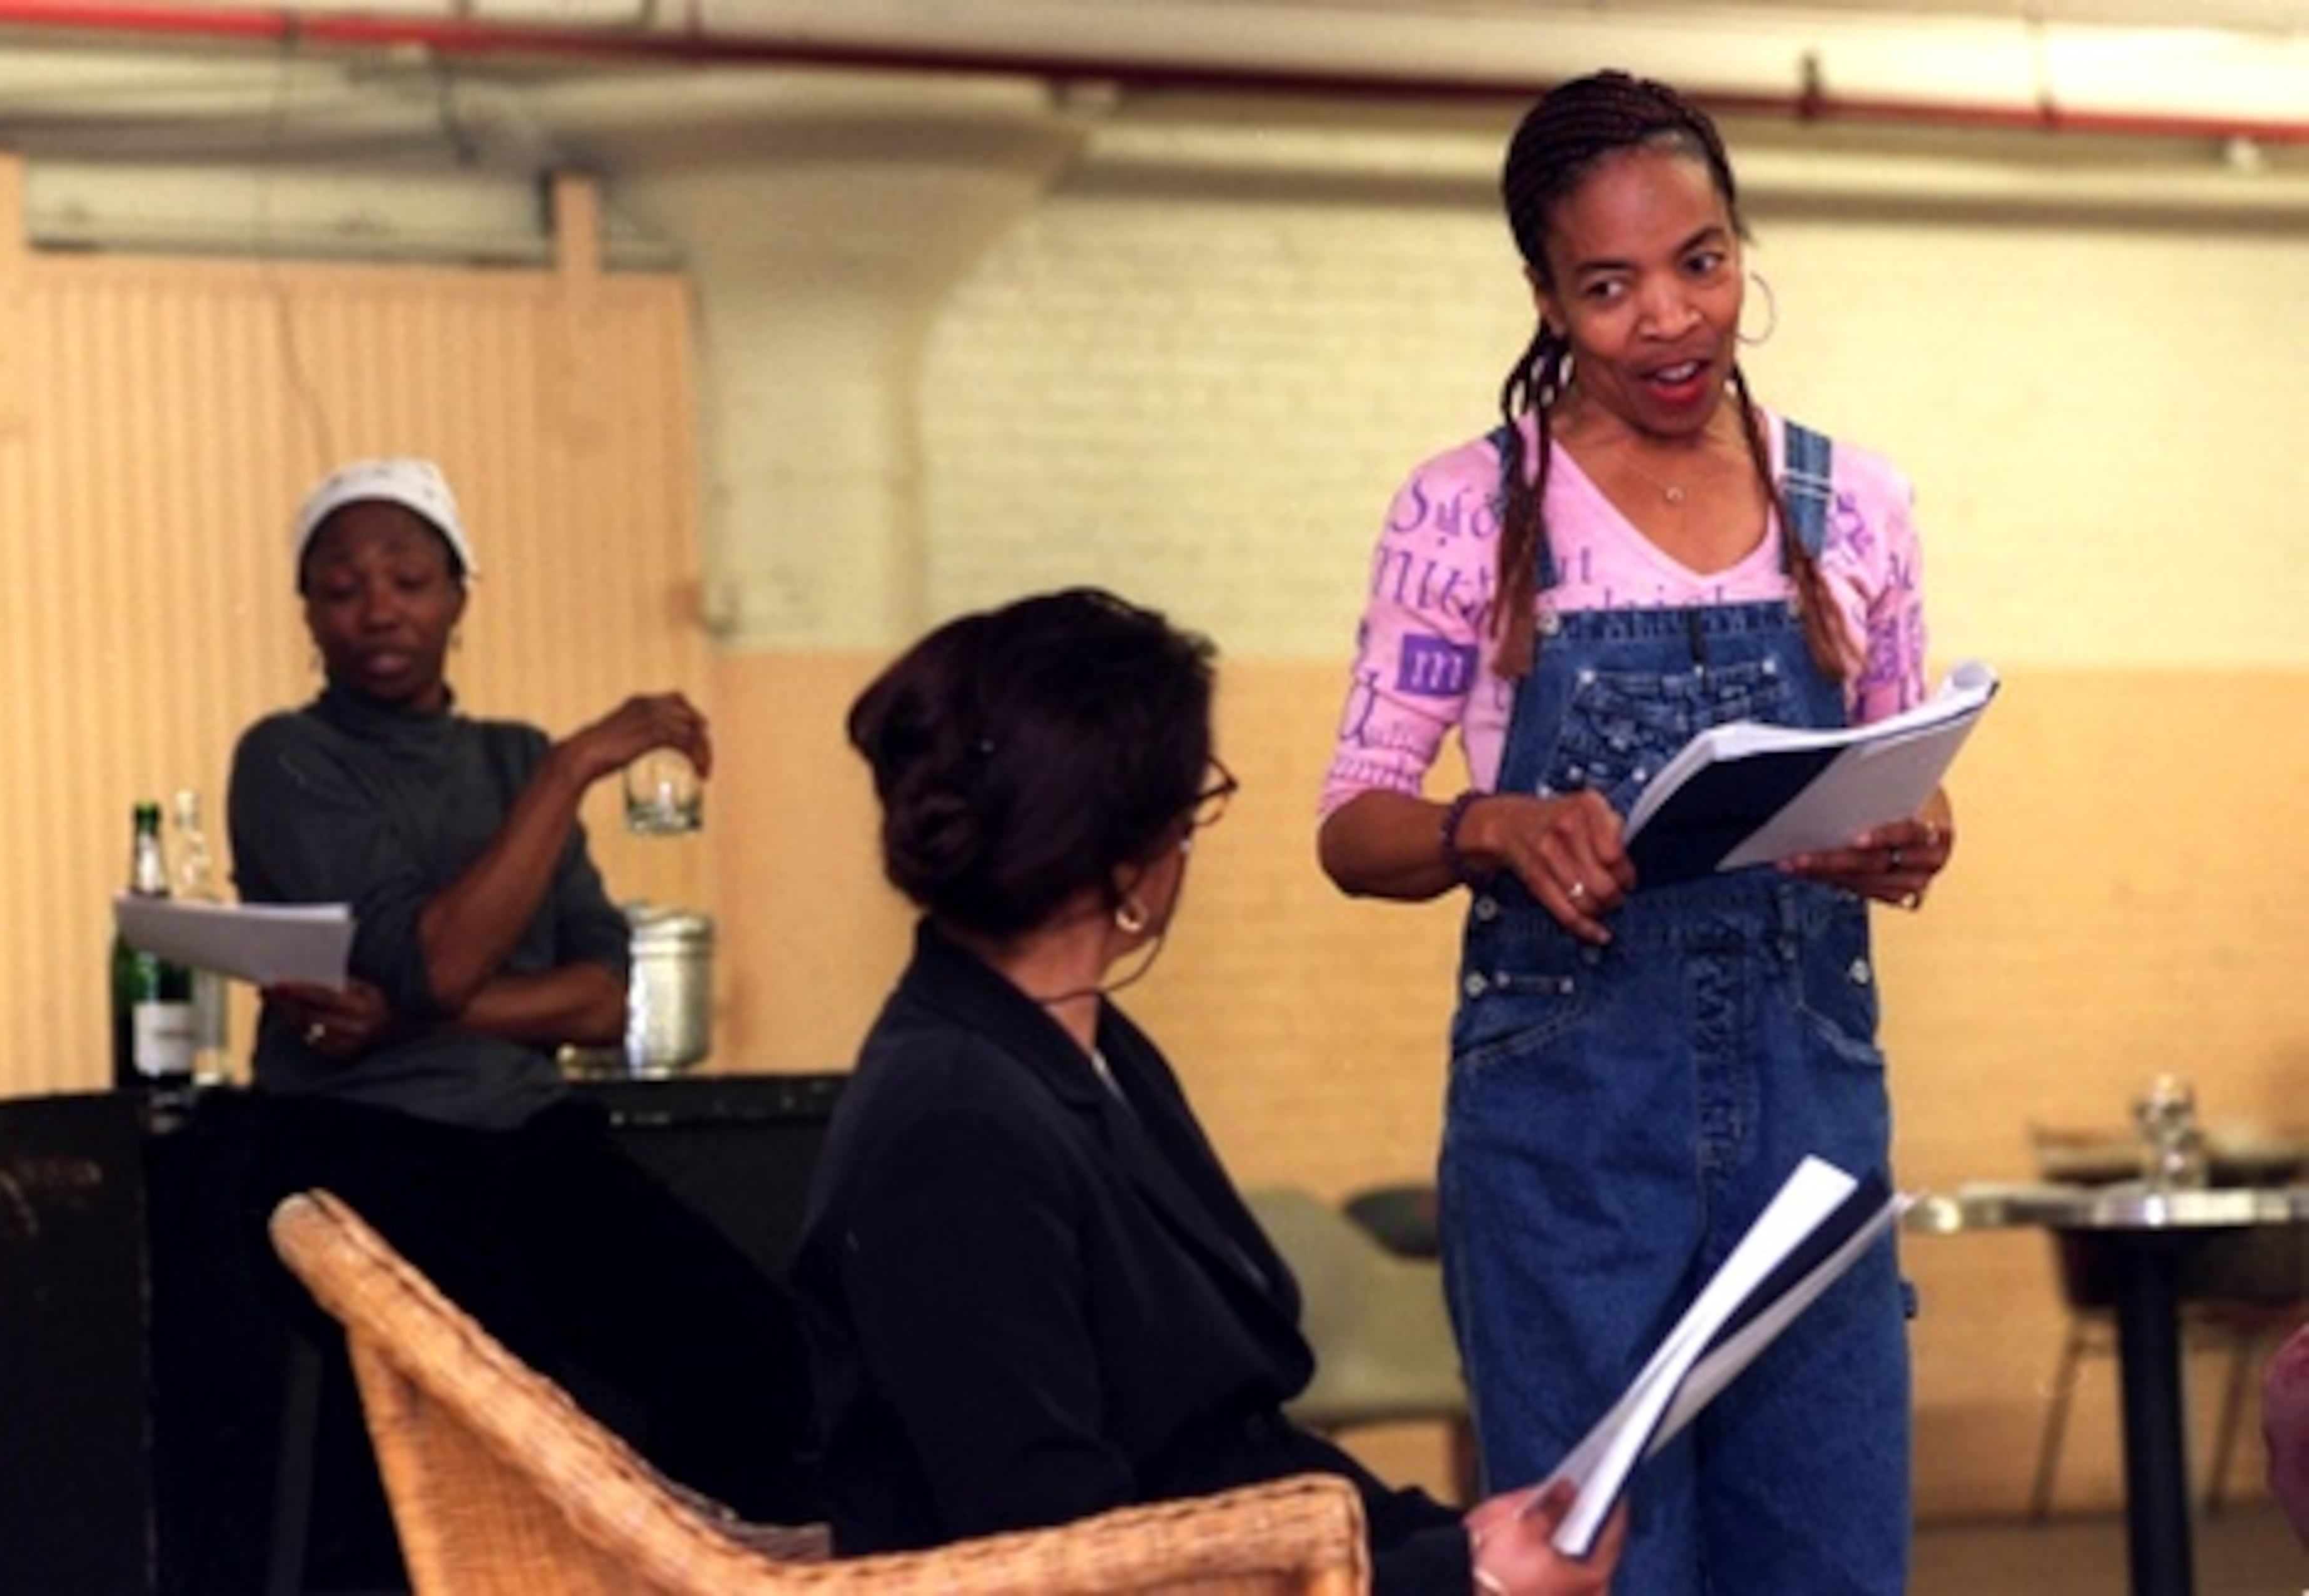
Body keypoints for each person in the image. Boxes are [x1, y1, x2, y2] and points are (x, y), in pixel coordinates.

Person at [1315, 72, 1949, 1594]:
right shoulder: (1470, 510)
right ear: (1544, 293)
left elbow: (1916, 775)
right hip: (1567, 1134)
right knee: (1592, 1562)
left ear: (1743, 249)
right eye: (1610, 286)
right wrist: (1488, 822)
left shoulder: (1855, 503)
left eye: (1703, 263)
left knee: (1832, 1557)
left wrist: (1907, 837)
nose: (1667, 318)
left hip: (1814, 1114)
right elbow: (1353, 824)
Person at [792, 586, 1623, 1596]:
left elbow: (1223, 1447)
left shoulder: (1084, 1050)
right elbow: (1065, 1556)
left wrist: (1452, 1539)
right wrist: (1457, 1581)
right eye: (1195, 806)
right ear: (1133, 862)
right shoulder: (954, 1127)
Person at [229, 458, 817, 1580]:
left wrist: (398, 1020)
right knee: (486, 1397)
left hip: (526, 1136)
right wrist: (574, 767)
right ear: (307, 612)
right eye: (343, 585)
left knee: (757, 1354)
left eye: (408, 576)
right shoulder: (290, 757)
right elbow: (444, 962)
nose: (379, 606)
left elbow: (602, 996)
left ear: (460, 592)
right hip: (359, 1149)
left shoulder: (503, 754)